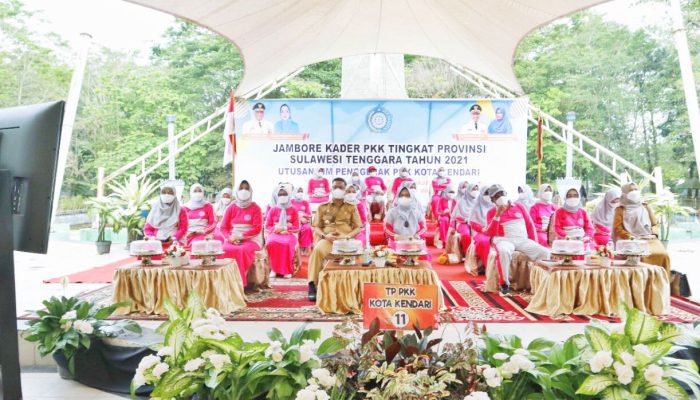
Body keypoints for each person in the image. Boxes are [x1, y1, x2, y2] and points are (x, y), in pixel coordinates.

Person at [484, 184, 550, 296]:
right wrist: (498, 214)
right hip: (503, 239)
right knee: (504, 252)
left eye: (502, 193)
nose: (500, 197)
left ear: (506, 193)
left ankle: (542, 283)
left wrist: (534, 242)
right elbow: (491, 233)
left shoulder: (519, 206)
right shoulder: (491, 212)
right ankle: (504, 284)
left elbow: (529, 225)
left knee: (545, 252)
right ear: (492, 200)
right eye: (496, 196)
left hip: (522, 239)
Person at [307, 178, 362, 301]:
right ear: (331, 189)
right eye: (335, 187)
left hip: (346, 241)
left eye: (341, 187)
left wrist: (347, 236)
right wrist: (324, 236)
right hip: (328, 240)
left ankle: (356, 287)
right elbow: (316, 226)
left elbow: (358, 227)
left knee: (359, 253)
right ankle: (312, 284)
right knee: (317, 250)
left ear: (345, 190)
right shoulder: (322, 207)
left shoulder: (351, 207)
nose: (338, 190)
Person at [613, 182, 670, 275]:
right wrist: (632, 237)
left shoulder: (645, 206)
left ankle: (662, 284)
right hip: (633, 240)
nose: (635, 192)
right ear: (625, 193)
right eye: (631, 190)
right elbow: (618, 228)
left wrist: (653, 234)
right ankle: (644, 284)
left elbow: (655, 223)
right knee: (641, 258)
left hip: (650, 239)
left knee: (663, 255)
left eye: (636, 189)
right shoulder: (620, 209)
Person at [219, 180, 263, 286]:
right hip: (233, 238)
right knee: (224, 249)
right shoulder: (231, 208)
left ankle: (239, 282)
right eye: (241, 188)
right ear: (236, 191)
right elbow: (223, 227)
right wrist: (230, 238)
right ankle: (225, 282)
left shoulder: (256, 208)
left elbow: (257, 228)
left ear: (250, 191)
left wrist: (241, 236)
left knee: (241, 250)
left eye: (246, 188)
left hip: (252, 239)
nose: (243, 191)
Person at [265, 185, 300, 278]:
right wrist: (276, 229)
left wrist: (285, 228)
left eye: (285, 194)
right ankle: (273, 269)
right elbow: (267, 226)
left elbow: (297, 227)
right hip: (275, 233)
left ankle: (286, 270)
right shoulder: (273, 210)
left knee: (287, 244)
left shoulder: (293, 210)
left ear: (289, 196)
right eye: (280, 195)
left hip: (289, 234)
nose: (282, 196)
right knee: (271, 243)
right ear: (277, 196)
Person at [384, 183, 427, 248]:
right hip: (397, 242)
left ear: (411, 197)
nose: (404, 198)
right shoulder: (392, 212)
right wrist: (396, 237)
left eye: (407, 195)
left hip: (413, 242)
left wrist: (416, 236)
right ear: (398, 197)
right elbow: (387, 228)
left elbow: (423, 228)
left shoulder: (417, 212)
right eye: (401, 195)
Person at [469, 186, 494, 267]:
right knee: (484, 242)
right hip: (481, 232)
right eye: (486, 193)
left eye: (490, 194)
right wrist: (483, 229)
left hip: (495, 231)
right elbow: (473, 223)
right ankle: (489, 267)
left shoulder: (495, 206)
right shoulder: (476, 207)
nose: (488, 196)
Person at [451, 182, 479, 255]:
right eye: (473, 189)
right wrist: (467, 220)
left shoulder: (478, 202)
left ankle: (477, 255)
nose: (475, 191)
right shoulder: (461, 202)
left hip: (475, 223)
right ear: (469, 190)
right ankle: (467, 254)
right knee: (466, 235)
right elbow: (457, 216)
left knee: (478, 236)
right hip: (463, 223)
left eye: (477, 189)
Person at [291, 187, 313, 255]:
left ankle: (305, 248)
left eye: (301, 191)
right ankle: (298, 248)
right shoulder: (291, 202)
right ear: (294, 192)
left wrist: (304, 217)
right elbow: (289, 213)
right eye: (298, 191)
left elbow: (309, 214)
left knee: (307, 228)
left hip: (304, 221)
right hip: (293, 221)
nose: (300, 193)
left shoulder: (305, 202)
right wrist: (298, 218)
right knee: (297, 229)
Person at [436, 184, 458, 249]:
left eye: (453, 192)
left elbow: (456, 211)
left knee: (453, 222)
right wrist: (445, 212)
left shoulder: (455, 200)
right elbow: (439, 211)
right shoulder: (442, 199)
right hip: (444, 216)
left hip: (454, 217)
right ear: (446, 191)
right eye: (449, 192)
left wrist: (452, 214)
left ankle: (451, 242)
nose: (451, 194)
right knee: (444, 220)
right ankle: (442, 240)